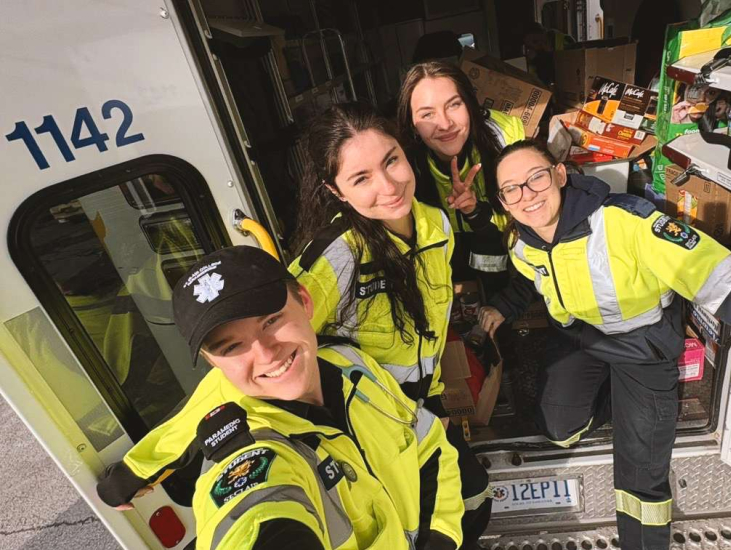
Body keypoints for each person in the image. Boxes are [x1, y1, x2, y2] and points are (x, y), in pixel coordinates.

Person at [477, 140, 731, 550]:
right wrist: (502, 306)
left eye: (536, 178)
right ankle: (618, 400)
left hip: (642, 350)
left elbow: (729, 286)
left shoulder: (629, 222)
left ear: (560, 175)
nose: (527, 195)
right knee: (559, 430)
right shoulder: (522, 242)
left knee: (640, 473)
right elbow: (530, 279)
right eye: (512, 189)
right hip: (580, 341)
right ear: (504, 202)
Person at [96, 246, 464, 550]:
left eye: (270, 321)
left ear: (304, 301)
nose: (267, 353)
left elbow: (427, 441)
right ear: (212, 362)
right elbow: (253, 514)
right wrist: (129, 473)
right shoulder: (252, 445)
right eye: (232, 346)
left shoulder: (351, 364)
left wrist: (441, 536)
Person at [289, 102, 491, 548]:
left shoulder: (436, 225)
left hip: (426, 408)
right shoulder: (336, 257)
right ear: (337, 192)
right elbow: (257, 354)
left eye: (391, 161)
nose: (389, 185)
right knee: (421, 531)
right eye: (361, 178)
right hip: (370, 426)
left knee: (474, 502)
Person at [397, 61, 525, 291]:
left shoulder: (504, 138)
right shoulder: (403, 165)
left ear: (469, 104)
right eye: (427, 114)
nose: (445, 124)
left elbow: (528, 218)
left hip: (504, 252)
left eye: (454, 105)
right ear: (413, 124)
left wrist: (476, 212)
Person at [522, 21, 575, 86]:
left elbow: (559, 69)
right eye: (530, 47)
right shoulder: (539, 56)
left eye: (535, 41)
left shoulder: (565, 41)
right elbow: (544, 80)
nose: (536, 46)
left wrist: (537, 59)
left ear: (543, 32)